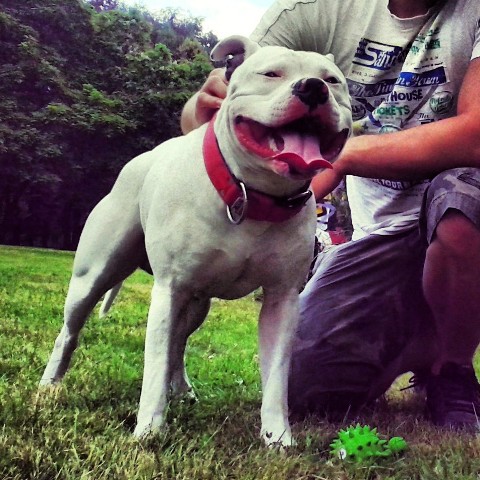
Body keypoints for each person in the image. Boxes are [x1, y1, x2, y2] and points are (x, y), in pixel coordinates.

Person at [181, 0, 480, 431]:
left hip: (462, 214)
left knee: (462, 195)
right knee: (303, 386)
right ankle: (422, 341)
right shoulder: (312, 10)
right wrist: (200, 108)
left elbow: (476, 136)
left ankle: (452, 368)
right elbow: (215, 118)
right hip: (380, 234)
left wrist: (342, 156)